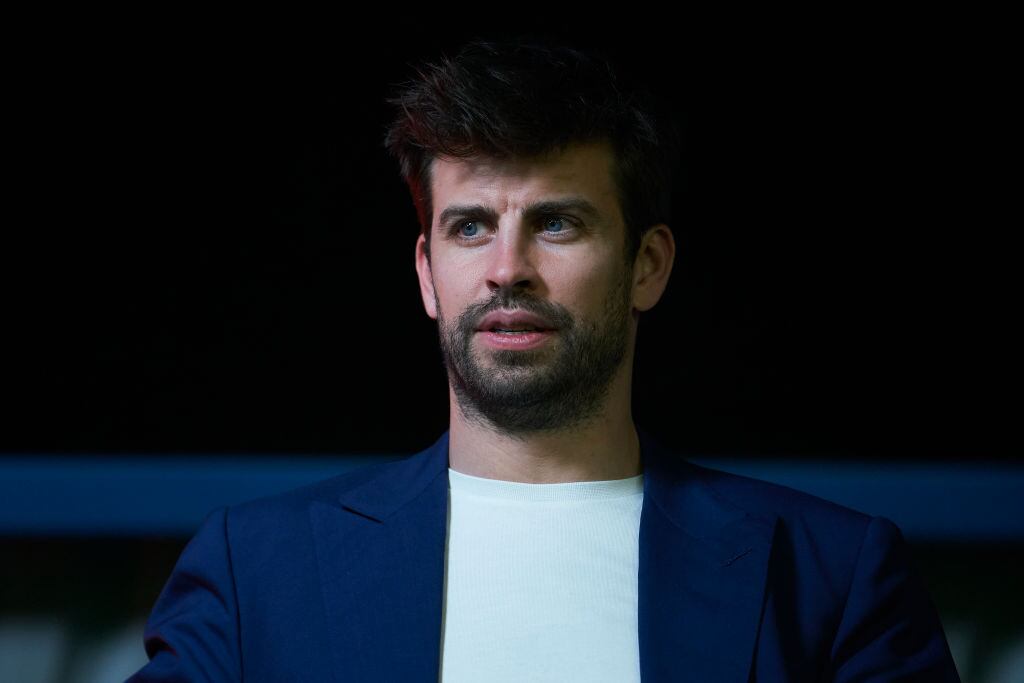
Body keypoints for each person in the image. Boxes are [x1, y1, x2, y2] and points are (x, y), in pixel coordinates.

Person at [127, 36, 961, 682]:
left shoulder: (829, 574)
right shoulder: (259, 571)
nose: (507, 267)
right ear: (427, 273)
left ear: (649, 264)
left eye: (557, 222)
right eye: (471, 225)